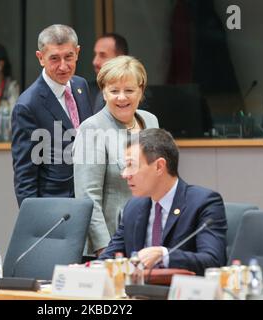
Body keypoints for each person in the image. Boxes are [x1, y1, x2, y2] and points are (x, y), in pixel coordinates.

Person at [98, 128, 227, 275]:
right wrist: (86, 268)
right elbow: (110, 256)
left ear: (159, 166)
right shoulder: (133, 207)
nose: (125, 174)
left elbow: (213, 261)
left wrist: (164, 255)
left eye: (131, 165)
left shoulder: (204, 203)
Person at [74, 56, 159, 256]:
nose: (122, 97)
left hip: (147, 241)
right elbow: (88, 197)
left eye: (129, 90)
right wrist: (106, 250)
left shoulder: (150, 120)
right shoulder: (92, 128)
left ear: (141, 90)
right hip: (110, 247)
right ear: (104, 92)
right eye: (114, 91)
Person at [11, 24, 93, 207]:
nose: (63, 66)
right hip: (56, 206)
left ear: (77, 53)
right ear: (40, 58)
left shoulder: (81, 86)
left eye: (68, 57)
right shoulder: (27, 106)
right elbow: (25, 175)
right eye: (54, 58)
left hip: (89, 199)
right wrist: (35, 221)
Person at [89, 33, 129, 114]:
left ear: (120, 59)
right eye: (95, 55)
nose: (95, 62)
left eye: (102, 55)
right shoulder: (86, 90)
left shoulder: (134, 94)